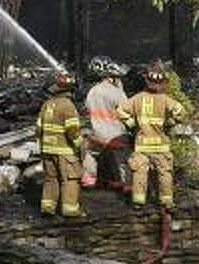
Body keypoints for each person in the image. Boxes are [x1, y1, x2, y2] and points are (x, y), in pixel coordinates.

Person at [116, 60, 188, 210]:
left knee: (140, 173)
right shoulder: (166, 99)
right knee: (164, 174)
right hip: (161, 146)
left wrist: (130, 123)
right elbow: (182, 112)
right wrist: (170, 122)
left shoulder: (137, 98)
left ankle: (138, 202)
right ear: (163, 82)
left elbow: (120, 111)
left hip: (142, 145)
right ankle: (166, 202)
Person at [35, 71, 85, 218]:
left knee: (51, 179)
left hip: (47, 150)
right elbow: (72, 130)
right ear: (70, 90)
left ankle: (48, 208)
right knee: (70, 179)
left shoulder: (46, 105)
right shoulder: (68, 105)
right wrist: (80, 144)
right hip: (64, 150)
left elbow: (38, 129)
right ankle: (69, 210)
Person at [82, 57, 130, 190]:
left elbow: (87, 111)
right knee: (122, 160)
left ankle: (89, 180)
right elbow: (127, 112)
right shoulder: (117, 93)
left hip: (96, 135)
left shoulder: (92, 92)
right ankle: (126, 185)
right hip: (116, 136)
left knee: (91, 155)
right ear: (112, 77)